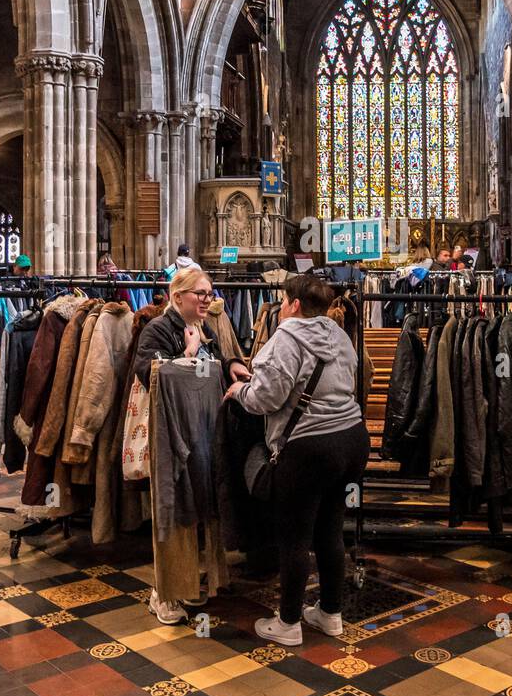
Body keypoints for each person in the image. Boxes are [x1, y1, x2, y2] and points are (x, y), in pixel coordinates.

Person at [225, 275, 369, 646]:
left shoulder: (285, 337)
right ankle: (330, 614)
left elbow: (265, 400)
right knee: (330, 530)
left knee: (294, 537)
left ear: (294, 305)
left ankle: (288, 623)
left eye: (283, 300)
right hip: (352, 439)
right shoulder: (339, 334)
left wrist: (240, 390)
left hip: (310, 449)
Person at [135, 267, 250, 624]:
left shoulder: (204, 328)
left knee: (199, 508)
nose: (208, 300)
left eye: (210, 294)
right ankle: (163, 592)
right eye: (201, 293)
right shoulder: (156, 329)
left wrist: (230, 364)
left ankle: (190, 582)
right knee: (174, 511)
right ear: (178, 295)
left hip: (203, 429)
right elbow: (147, 374)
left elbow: (211, 361)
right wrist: (186, 353)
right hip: (172, 434)